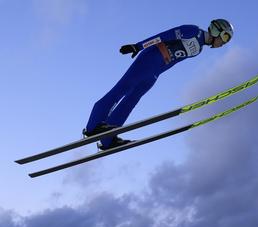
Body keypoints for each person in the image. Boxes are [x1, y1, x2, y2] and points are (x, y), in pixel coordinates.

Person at [83, 19, 234, 150]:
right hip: (149, 60)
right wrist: (139, 46)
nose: (224, 42)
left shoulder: (199, 49)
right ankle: (92, 126)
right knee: (122, 89)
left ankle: (108, 139)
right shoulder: (193, 31)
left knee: (132, 100)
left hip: (156, 70)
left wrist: (157, 73)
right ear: (217, 31)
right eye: (226, 37)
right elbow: (164, 36)